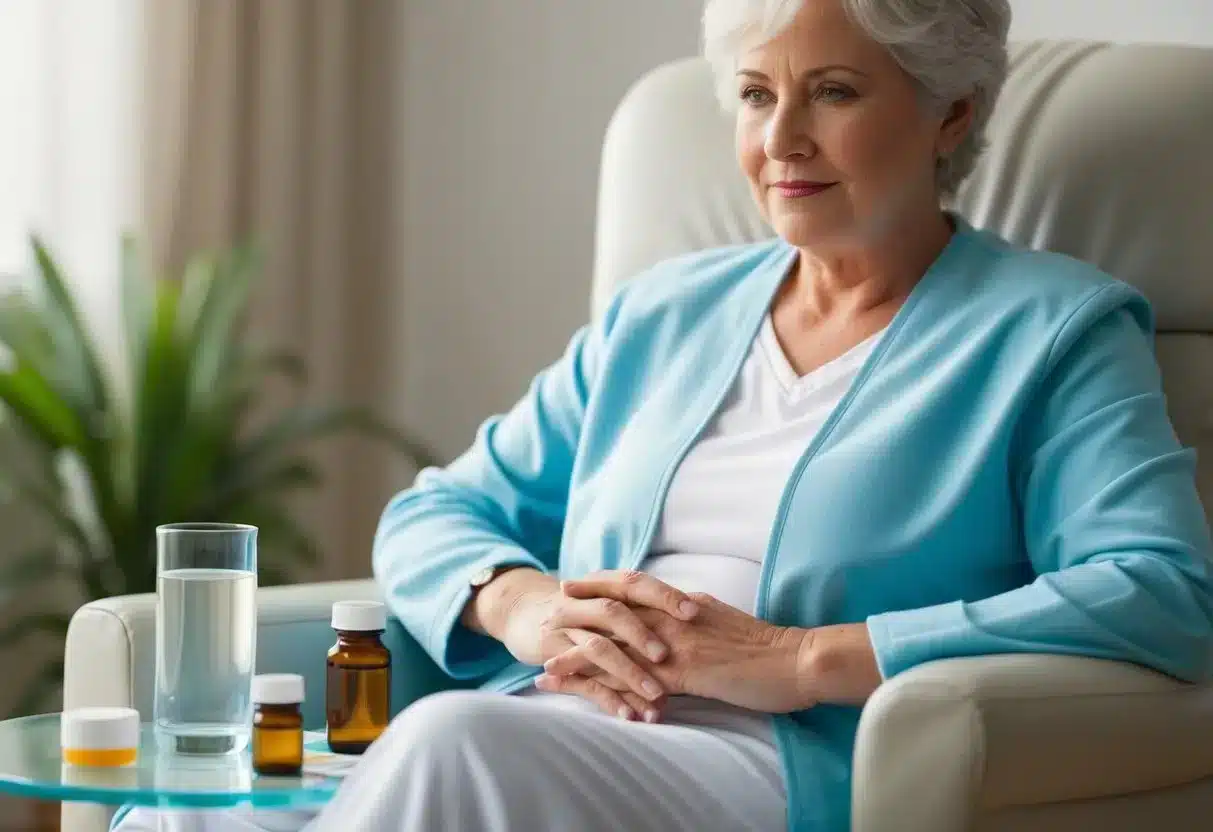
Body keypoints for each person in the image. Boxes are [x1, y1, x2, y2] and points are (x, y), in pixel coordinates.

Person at [114, 0, 1213, 830]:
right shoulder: (664, 314)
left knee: (452, 747)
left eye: (833, 92)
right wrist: (525, 605)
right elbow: (434, 511)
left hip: (781, 756)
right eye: (755, 94)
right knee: (178, 810)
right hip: (551, 713)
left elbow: (1160, 590)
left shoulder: (1051, 331)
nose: (780, 139)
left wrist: (801, 658)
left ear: (950, 113)